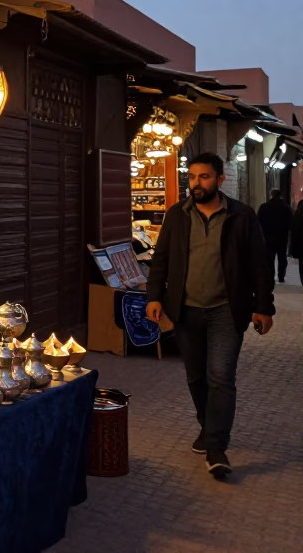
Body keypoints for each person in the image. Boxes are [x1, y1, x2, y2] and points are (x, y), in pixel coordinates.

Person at [145, 152, 274, 480]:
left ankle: (216, 446)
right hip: (185, 311)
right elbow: (161, 259)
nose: (196, 183)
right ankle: (208, 427)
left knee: (221, 377)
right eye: (191, 177)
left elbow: (260, 264)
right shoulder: (177, 215)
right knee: (196, 377)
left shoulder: (241, 216)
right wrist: (154, 297)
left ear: (220, 179)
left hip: (226, 313)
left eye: (204, 177)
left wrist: (263, 307)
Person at [257, 189, 292, 283]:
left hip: (268, 237)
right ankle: (281, 276)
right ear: (281, 196)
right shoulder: (286, 207)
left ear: (271, 195)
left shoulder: (263, 207)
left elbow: (258, 222)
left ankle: (270, 276)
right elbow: (290, 223)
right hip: (282, 238)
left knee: (269, 258)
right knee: (282, 258)